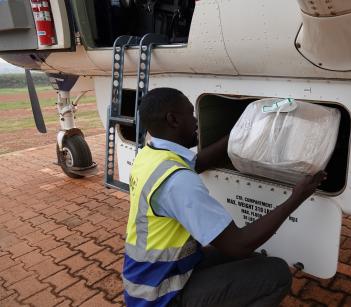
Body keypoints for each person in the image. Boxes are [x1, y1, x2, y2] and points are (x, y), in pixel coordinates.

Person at [123, 87, 326, 307]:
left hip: (155, 274)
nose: (196, 121)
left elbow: (198, 163)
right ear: (173, 119)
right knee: (276, 273)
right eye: (190, 114)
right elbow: (238, 245)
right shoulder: (177, 182)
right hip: (160, 295)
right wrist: (296, 197)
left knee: (254, 261)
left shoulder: (151, 155)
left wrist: (240, 134)